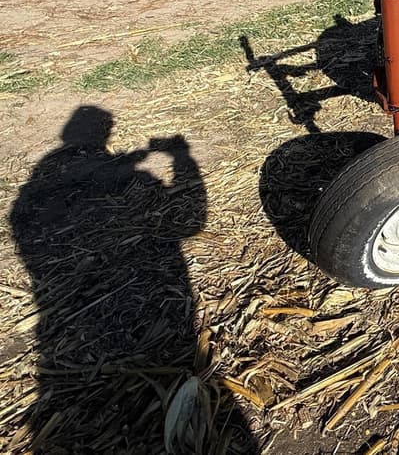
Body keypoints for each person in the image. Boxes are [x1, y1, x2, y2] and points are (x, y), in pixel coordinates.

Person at [10, 106, 257, 454]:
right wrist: (181, 157)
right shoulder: (135, 183)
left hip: (73, 347)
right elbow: (192, 223)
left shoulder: (41, 180)